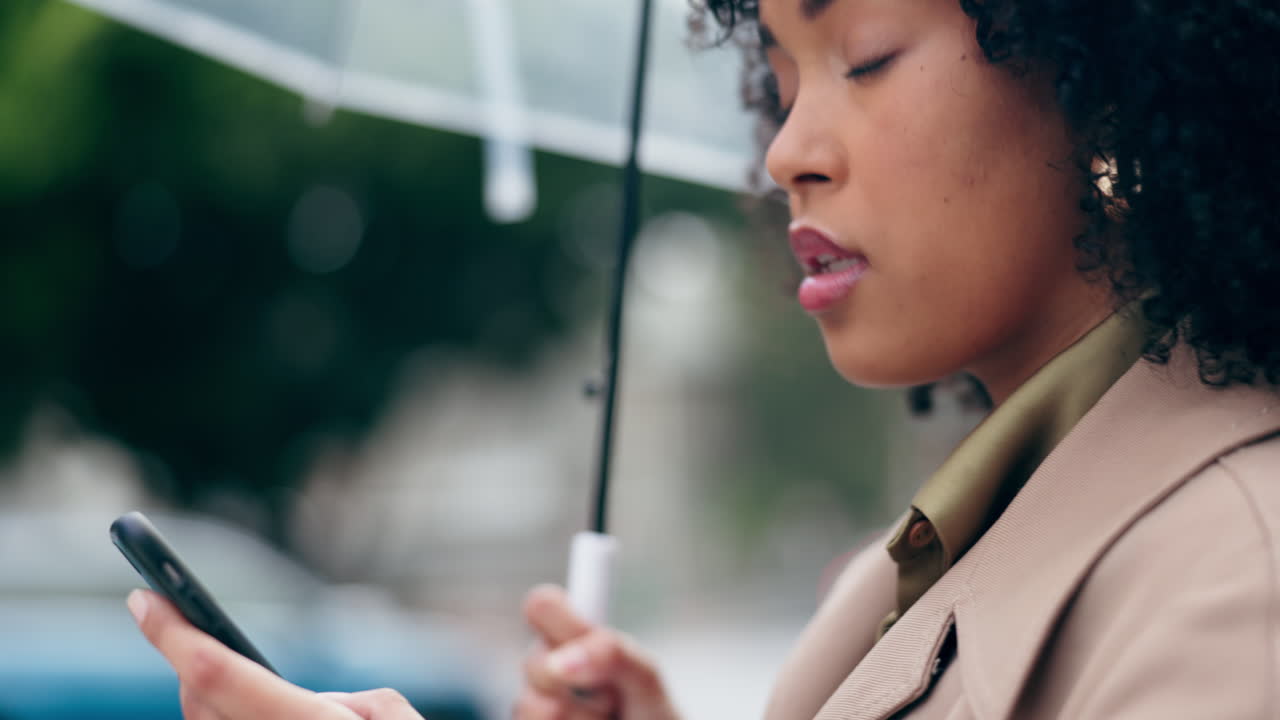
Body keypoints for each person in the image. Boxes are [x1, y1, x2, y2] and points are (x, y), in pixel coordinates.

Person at [128, 0, 1280, 717]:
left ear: (1104, 76)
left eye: (863, 57)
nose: (784, 151)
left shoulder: (1239, 579)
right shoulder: (926, 561)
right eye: (776, 80)